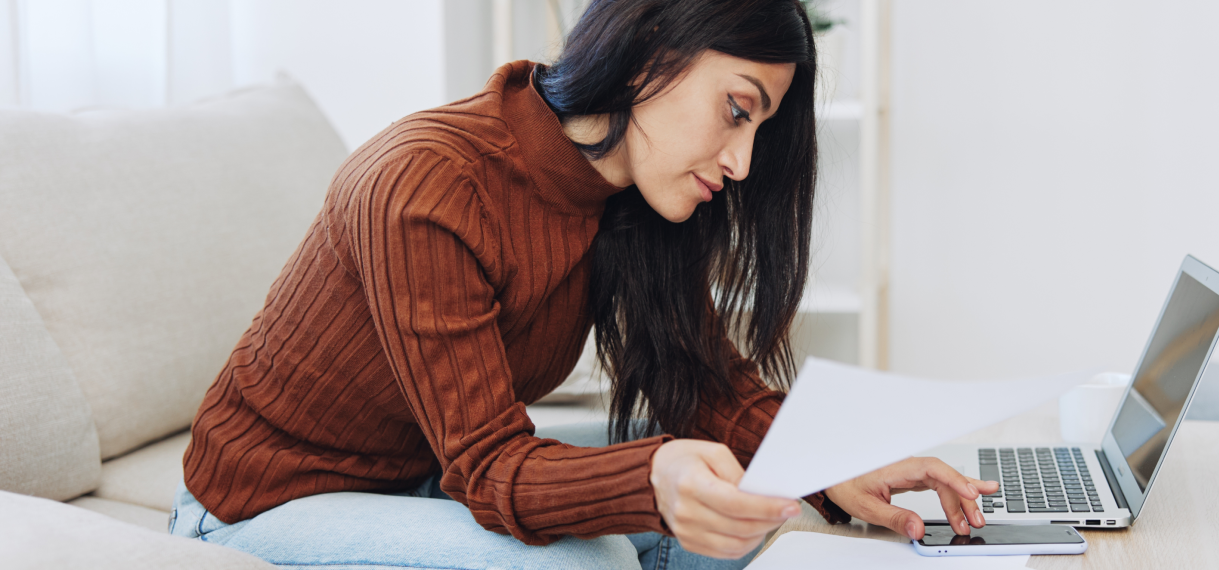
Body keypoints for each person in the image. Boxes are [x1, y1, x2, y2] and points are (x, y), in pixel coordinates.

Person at [174, 1, 995, 568]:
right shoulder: (426, 186)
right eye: (737, 111)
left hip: (415, 482)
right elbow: (490, 468)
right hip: (261, 506)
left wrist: (830, 466)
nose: (742, 164)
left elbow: (704, 385)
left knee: (746, 511)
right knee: (592, 560)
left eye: (760, 129)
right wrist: (651, 478)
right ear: (648, 54)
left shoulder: (625, 197)